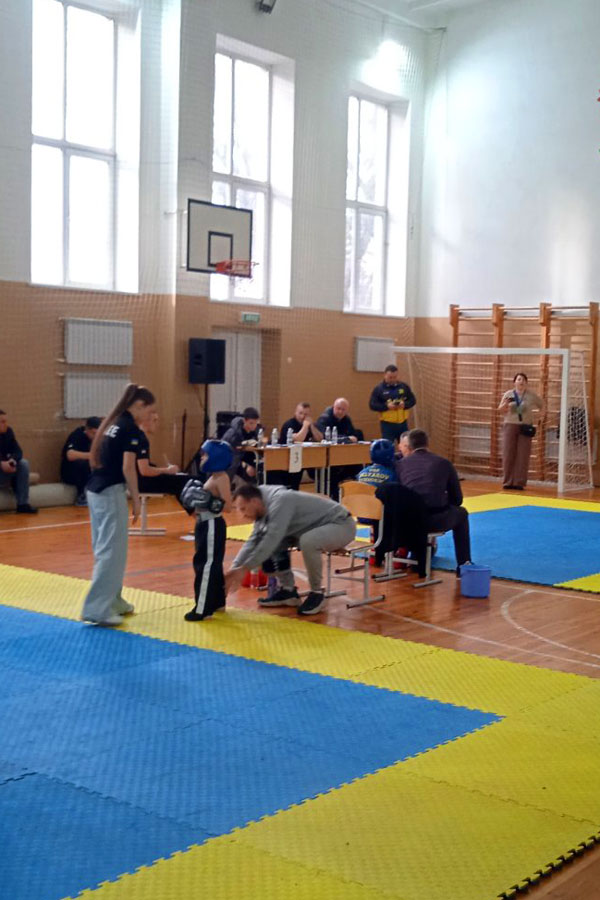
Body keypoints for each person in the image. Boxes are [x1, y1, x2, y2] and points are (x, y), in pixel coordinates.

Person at [81, 384, 156, 626]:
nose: (149, 416)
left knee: (109, 549)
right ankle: (96, 609)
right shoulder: (129, 428)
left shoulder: (112, 423)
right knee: (111, 552)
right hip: (110, 492)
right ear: (139, 406)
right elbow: (127, 467)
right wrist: (136, 498)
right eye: (149, 411)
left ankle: (113, 600)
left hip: (95, 490)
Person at [224, 483, 356, 616]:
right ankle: (288, 591)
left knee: (307, 541)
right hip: (312, 528)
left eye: (243, 509)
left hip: (341, 525)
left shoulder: (280, 501)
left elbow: (271, 539)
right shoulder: (259, 501)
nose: (242, 515)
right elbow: (254, 540)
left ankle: (317, 593)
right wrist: (234, 570)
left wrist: (245, 568)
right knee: (276, 541)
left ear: (254, 502)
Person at [397, 428, 471, 573]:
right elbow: (457, 499)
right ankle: (464, 564)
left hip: (405, 522)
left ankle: (415, 556)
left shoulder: (400, 465)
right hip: (433, 519)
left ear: (409, 446)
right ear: (427, 444)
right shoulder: (443, 463)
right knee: (462, 513)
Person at [180, 440, 233, 622]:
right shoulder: (213, 476)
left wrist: (209, 501)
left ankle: (202, 608)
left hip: (212, 524)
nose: (202, 458)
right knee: (213, 564)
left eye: (205, 455)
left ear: (216, 457)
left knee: (205, 565)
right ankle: (217, 602)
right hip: (205, 524)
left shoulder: (221, 478)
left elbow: (228, 506)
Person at [498, 373, 544, 490]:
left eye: (523, 379)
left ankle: (519, 482)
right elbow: (500, 410)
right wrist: (505, 404)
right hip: (510, 425)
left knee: (523, 455)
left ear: (526, 383)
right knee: (508, 453)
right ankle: (508, 482)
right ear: (514, 382)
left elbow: (542, 405)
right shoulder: (508, 394)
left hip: (525, 426)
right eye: (519, 379)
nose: (521, 381)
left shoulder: (531, 395)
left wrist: (541, 417)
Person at [136, 409, 192, 504]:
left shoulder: (136, 436)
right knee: (188, 482)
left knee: (180, 481)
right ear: (145, 421)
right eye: (154, 420)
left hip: (137, 481)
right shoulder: (141, 439)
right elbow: (144, 470)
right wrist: (167, 470)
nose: (156, 424)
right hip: (142, 483)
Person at [316, 398, 362, 499]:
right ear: (333, 407)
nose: (340, 411)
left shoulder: (346, 419)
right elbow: (326, 437)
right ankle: (333, 496)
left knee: (358, 466)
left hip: (342, 456)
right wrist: (347, 438)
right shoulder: (324, 419)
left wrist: (351, 438)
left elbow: (354, 434)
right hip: (325, 457)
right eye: (338, 408)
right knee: (333, 472)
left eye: (343, 409)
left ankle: (356, 494)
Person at [277, 401, 323, 490]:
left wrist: (312, 426)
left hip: (304, 457)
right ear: (295, 413)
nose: (302, 416)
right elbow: (298, 439)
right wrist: (305, 426)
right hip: (287, 458)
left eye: (305, 414)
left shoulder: (309, 424)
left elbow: (320, 438)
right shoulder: (289, 424)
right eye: (300, 413)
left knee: (320, 469)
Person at [0, 409, 37, 513]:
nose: (6, 424)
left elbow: (18, 451)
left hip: (5, 471)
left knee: (23, 463)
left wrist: (13, 460)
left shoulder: (8, 432)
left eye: (6, 421)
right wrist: (1, 464)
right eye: (2, 422)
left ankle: (22, 504)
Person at [60, 416, 101, 506]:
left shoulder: (100, 438)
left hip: (91, 471)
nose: (95, 436)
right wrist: (91, 456)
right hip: (71, 473)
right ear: (87, 430)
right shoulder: (77, 435)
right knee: (82, 463)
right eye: (93, 433)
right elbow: (70, 455)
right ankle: (82, 495)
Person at [369, 365, 416, 443]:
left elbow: (413, 400)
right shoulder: (379, 389)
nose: (393, 380)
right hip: (387, 425)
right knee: (388, 446)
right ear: (385, 375)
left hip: (403, 423)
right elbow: (372, 405)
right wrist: (386, 406)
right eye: (390, 377)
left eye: (395, 377)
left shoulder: (404, 387)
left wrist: (404, 404)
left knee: (405, 445)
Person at [222, 406, 264, 484]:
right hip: (232, 462)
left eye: (256, 423)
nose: (254, 426)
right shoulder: (234, 434)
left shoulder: (256, 432)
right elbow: (230, 455)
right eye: (251, 423)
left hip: (245, 459)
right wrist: (246, 466)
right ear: (244, 421)